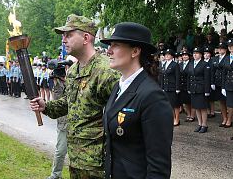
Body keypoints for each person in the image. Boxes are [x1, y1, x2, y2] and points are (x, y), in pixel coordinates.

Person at [30, 14, 119, 178]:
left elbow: (122, 116)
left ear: (86, 37)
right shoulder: (72, 71)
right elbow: (70, 102)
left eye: (69, 35)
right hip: (76, 156)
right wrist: (46, 106)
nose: (64, 40)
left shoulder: (106, 71)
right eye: (64, 35)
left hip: (99, 161)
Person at [100, 22, 173, 179]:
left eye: (116, 45)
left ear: (135, 51)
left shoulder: (152, 96)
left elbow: (159, 166)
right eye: (109, 45)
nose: (109, 51)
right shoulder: (118, 87)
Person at [187, 47, 211, 133]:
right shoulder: (191, 63)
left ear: (201, 55)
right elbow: (189, 77)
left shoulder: (204, 64)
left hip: (201, 88)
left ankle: (204, 125)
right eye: (194, 53)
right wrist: (188, 87)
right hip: (193, 88)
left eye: (197, 53)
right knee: (196, 107)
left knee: (203, 108)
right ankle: (200, 124)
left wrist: (207, 91)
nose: (195, 54)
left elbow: (207, 78)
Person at [161, 49, 181, 126]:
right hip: (166, 87)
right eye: (166, 54)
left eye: (168, 54)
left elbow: (177, 77)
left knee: (175, 104)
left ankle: (177, 119)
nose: (166, 56)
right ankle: (172, 118)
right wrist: (162, 87)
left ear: (172, 56)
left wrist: (177, 88)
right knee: (169, 105)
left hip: (173, 87)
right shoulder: (164, 64)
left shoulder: (175, 64)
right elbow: (162, 77)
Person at [222, 39, 233, 129]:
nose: (230, 47)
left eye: (232, 46)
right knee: (229, 104)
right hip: (228, 84)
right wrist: (223, 87)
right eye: (229, 46)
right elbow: (224, 73)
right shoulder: (226, 58)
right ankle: (229, 119)